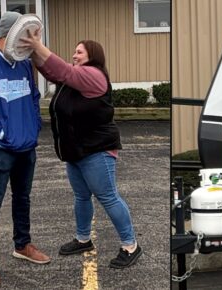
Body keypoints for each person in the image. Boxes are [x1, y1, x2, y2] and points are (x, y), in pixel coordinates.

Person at [18, 31, 142, 269]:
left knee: (108, 197)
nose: (74, 55)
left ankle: (131, 245)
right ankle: (83, 239)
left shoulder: (94, 75)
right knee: (81, 196)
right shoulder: (72, 81)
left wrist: (37, 45)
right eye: (74, 51)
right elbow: (51, 71)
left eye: (79, 51)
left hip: (97, 150)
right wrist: (33, 54)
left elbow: (62, 70)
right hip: (76, 151)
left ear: (92, 55)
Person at [0, 11, 50, 287]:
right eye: (23, 37)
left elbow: (34, 96)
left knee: (22, 197)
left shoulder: (24, 65)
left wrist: (32, 126)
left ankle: (22, 244)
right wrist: (3, 134)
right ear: (6, 35)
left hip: (26, 146)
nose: (28, 44)